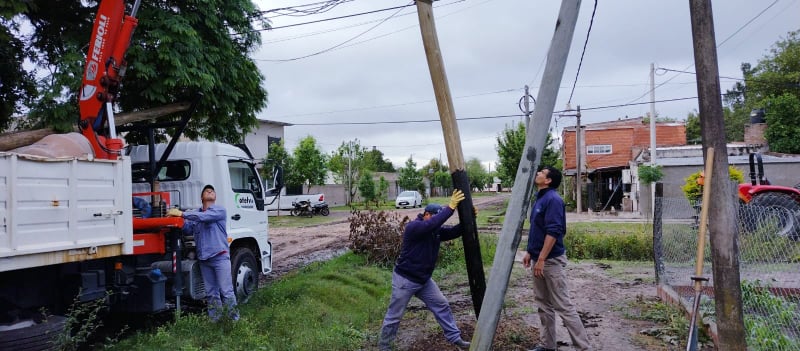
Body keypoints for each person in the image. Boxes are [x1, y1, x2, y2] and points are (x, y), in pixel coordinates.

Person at [378, 189, 472, 350]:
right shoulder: (414, 227)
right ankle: (384, 347)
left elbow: (453, 232)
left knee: (441, 304)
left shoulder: (434, 230)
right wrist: (450, 208)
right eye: (436, 217)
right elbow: (433, 224)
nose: (438, 221)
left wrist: (471, 218)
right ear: (427, 214)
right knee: (394, 316)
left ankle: (455, 338)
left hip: (423, 280)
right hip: (405, 280)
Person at [522, 167, 591, 351]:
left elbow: (554, 232)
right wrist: (530, 252)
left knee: (563, 306)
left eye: (541, 173)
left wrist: (542, 258)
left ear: (548, 180)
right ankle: (547, 345)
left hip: (551, 261)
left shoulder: (553, 200)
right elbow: (538, 229)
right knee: (543, 305)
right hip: (539, 259)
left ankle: (584, 347)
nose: (537, 173)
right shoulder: (540, 198)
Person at [167, 184, 239, 322]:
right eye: (206, 190)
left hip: (220, 257)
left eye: (212, 190)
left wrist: (182, 214)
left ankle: (234, 321)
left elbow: (203, 217)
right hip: (204, 260)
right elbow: (188, 228)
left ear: (215, 197)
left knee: (226, 291)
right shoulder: (196, 215)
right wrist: (176, 220)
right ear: (202, 197)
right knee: (211, 293)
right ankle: (215, 321)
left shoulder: (219, 211)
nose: (210, 190)